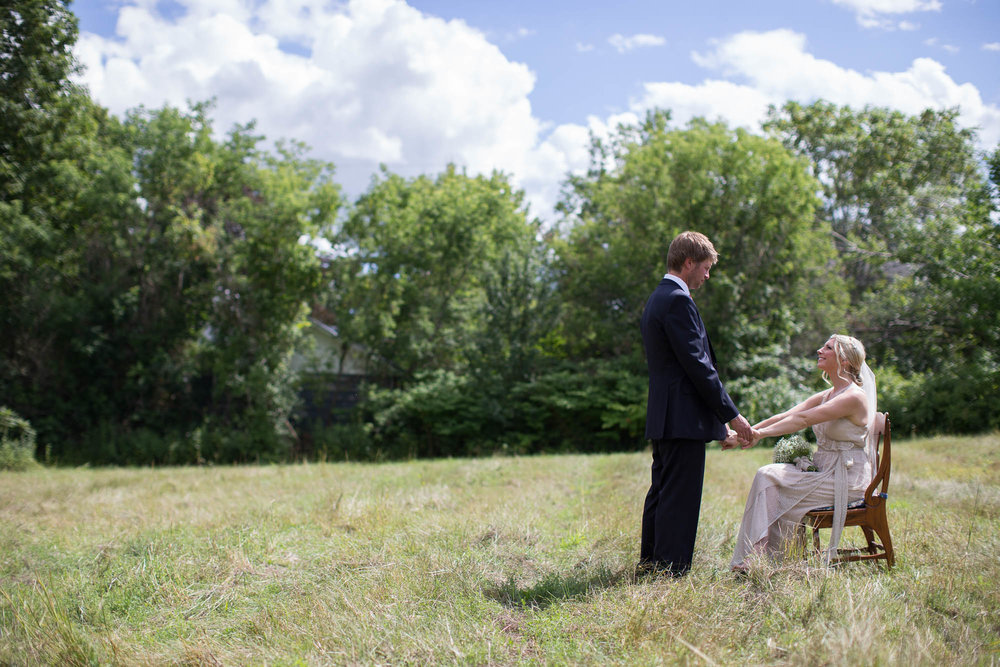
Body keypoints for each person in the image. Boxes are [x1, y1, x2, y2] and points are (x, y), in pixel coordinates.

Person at [638, 231, 753, 577]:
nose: (707, 275)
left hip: (666, 415)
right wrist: (731, 415)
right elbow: (698, 366)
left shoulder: (658, 298)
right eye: (704, 268)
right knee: (679, 497)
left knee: (662, 491)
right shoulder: (677, 300)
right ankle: (670, 571)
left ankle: (652, 563)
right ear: (688, 263)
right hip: (682, 417)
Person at [727, 334, 878, 570]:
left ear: (845, 360)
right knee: (767, 475)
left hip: (847, 478)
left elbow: (803, 419)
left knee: (771, 479)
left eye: (827, 347)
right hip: (826, 470)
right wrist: (745, 434)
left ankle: (764, 557)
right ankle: (760, 554)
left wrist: (760, 436)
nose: (819, 350)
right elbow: (787, 415)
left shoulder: (853, 397)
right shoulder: (829, 394)